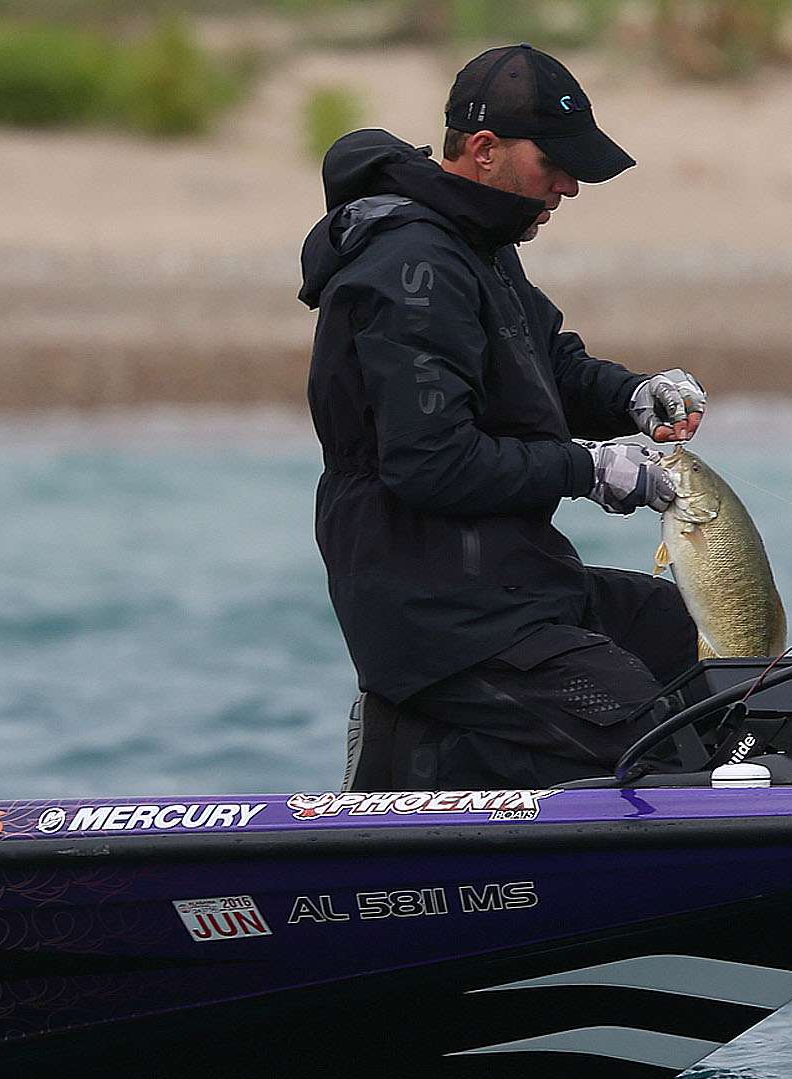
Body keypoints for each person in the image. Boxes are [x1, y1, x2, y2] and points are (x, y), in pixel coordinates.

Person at [299, 44, 710, 790]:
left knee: (684, 636)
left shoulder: (477, 243)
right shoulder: (412, 270)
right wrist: (588, 469)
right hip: (436, 611)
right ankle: (419, 745)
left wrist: (633, 396)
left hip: (510, 580)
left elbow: (548, 364)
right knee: (649, 739)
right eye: (554, 163)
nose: (569, 186)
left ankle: (428, 745)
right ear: (484, 150)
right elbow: (432, 463)